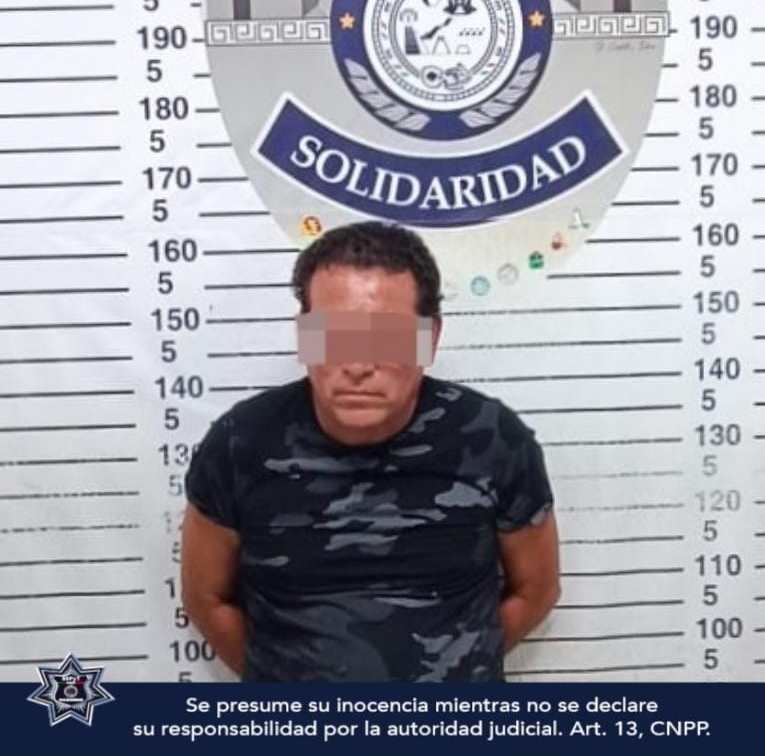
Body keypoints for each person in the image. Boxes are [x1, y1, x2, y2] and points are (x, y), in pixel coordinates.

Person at [181, 220, 559, 682]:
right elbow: (207, 599)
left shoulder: (493, 438)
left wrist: (459, 668)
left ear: (429, 338)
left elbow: (536, 590)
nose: (358, 365)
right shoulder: (240, 443)